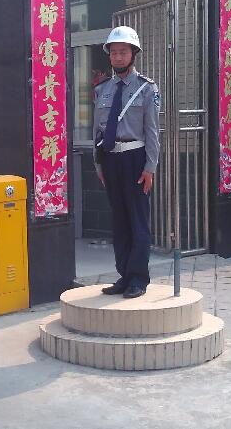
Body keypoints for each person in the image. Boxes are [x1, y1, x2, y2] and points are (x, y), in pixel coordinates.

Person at [92, 26, 161, 299]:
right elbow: (97, 131)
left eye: (123, 51)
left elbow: (152, 131)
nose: (118, 57)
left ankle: (138, 279)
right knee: (119, 221)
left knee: (137, 220)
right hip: (110, 159)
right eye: (114, 52)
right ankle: (123, 275)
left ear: (134, 54)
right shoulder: (103, 89)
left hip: (135, 159)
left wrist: (150, 168)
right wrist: (98, 165)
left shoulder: (147, 89)